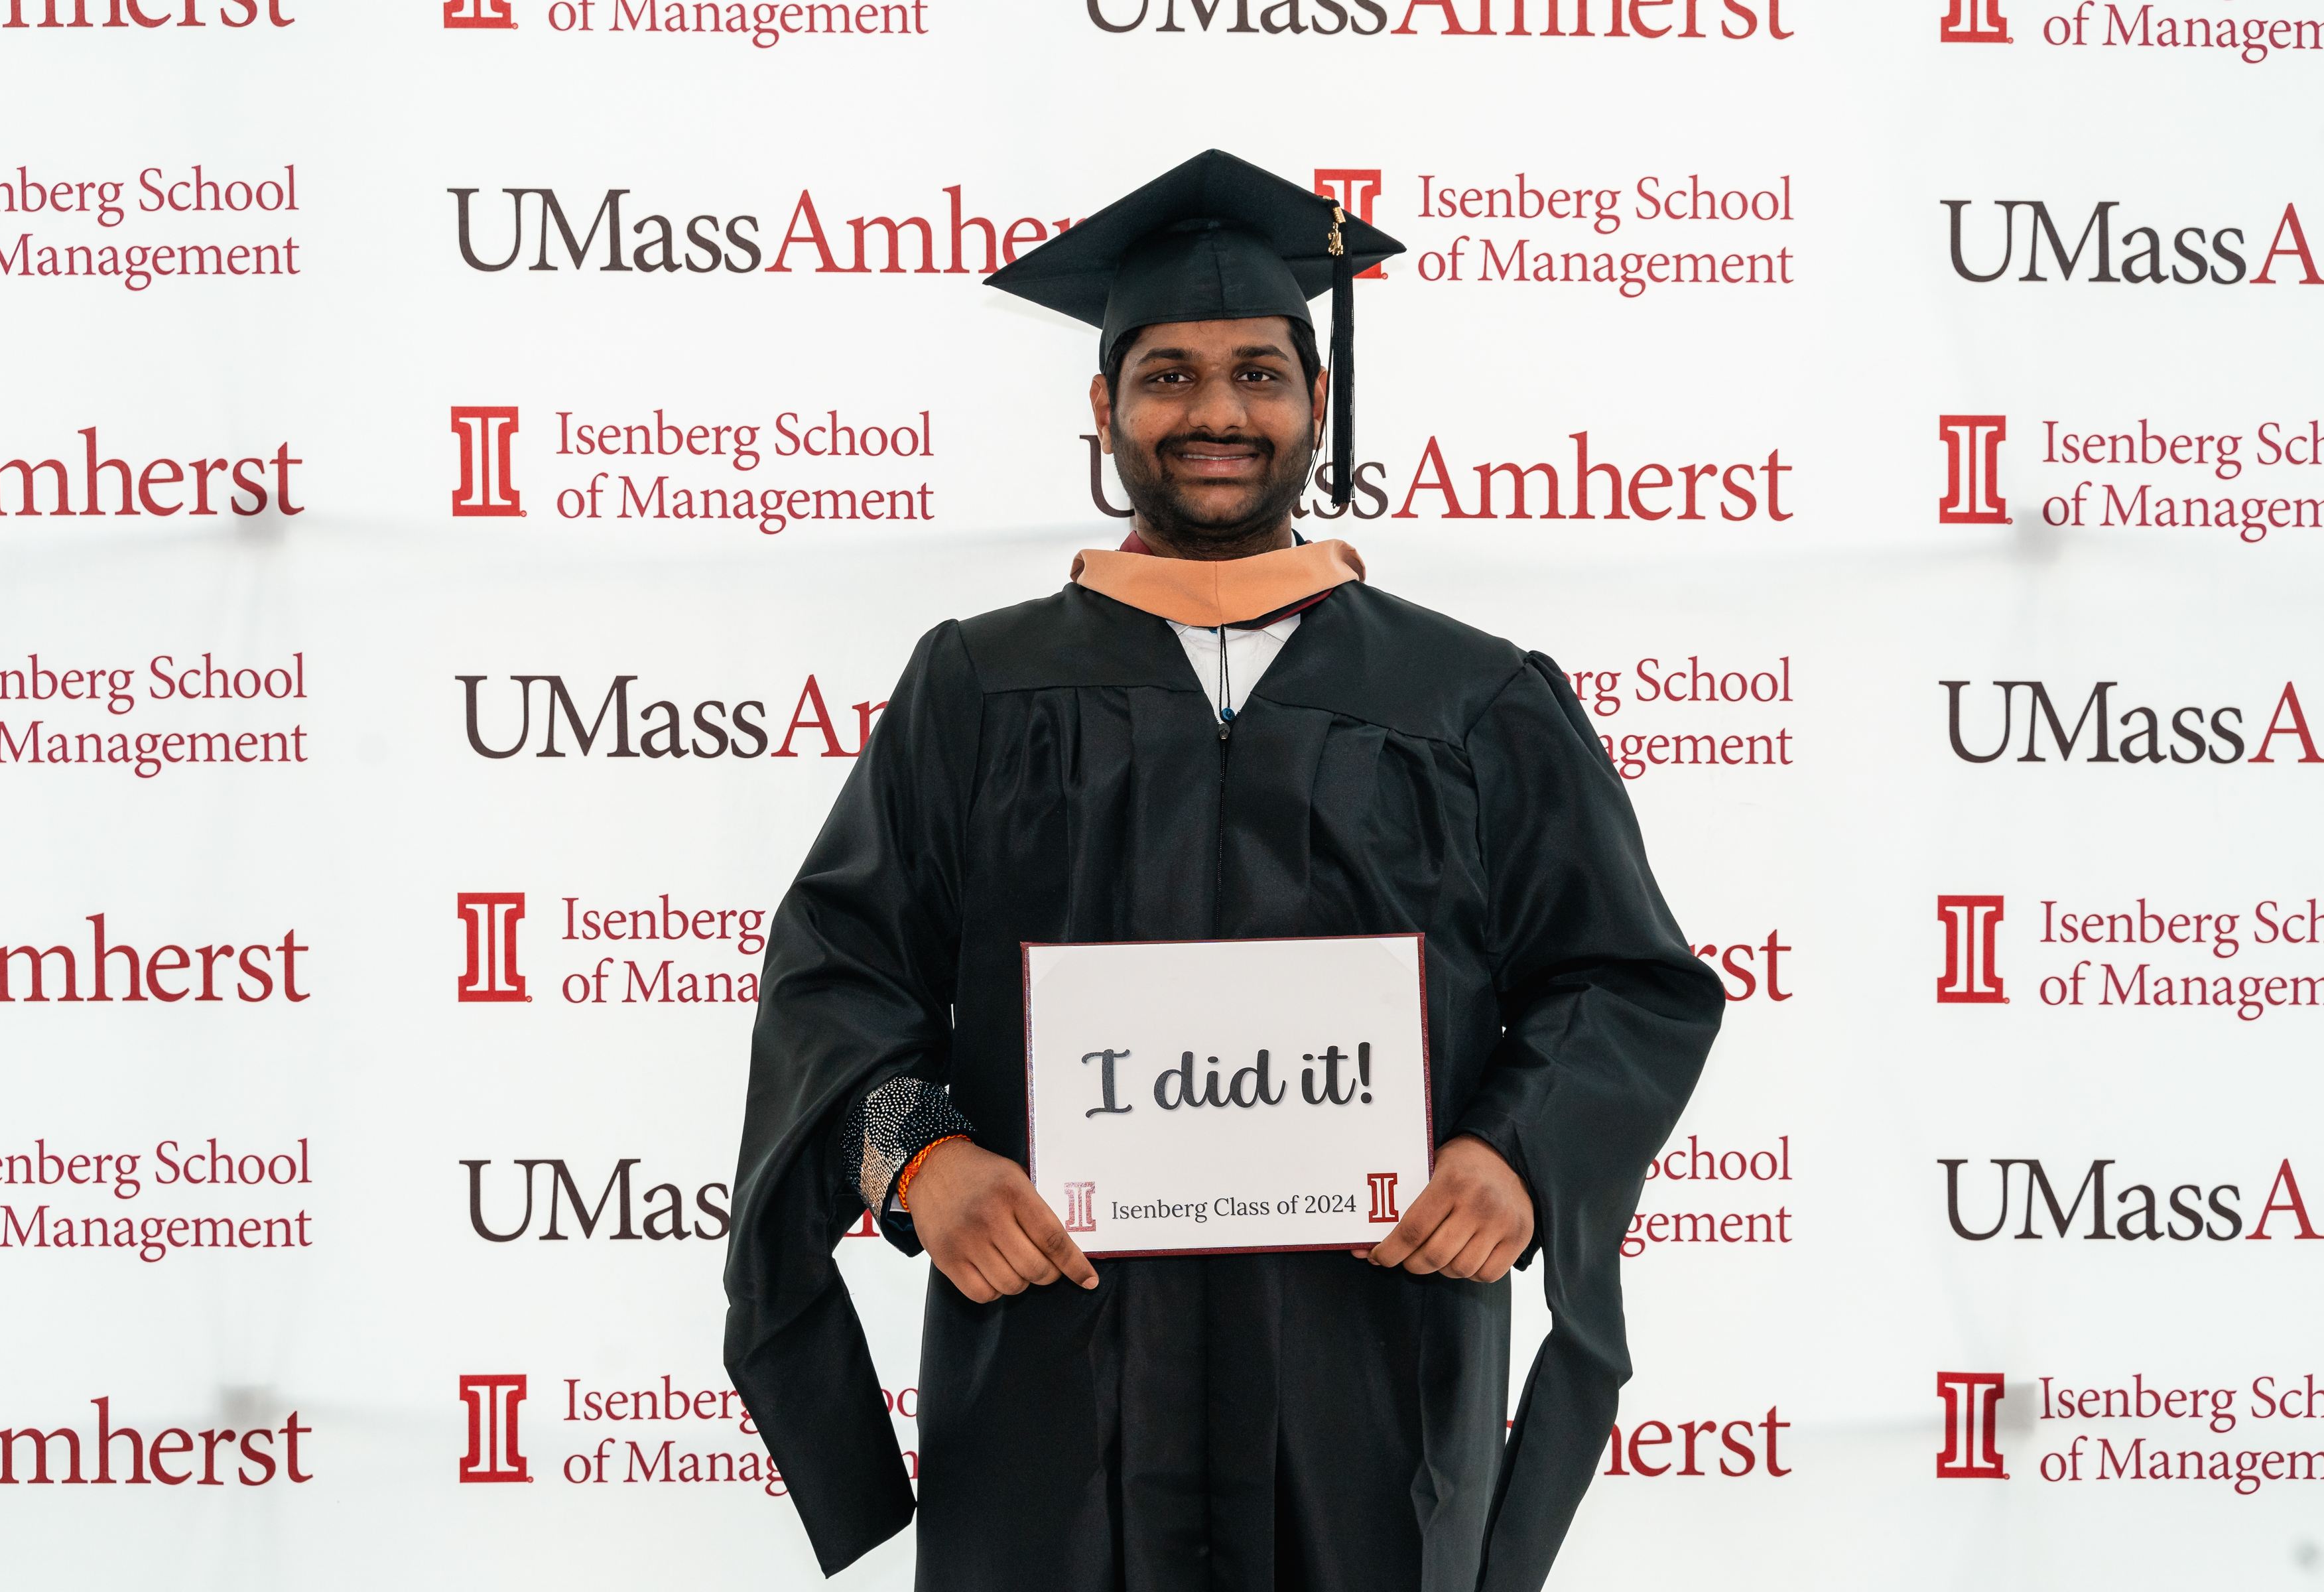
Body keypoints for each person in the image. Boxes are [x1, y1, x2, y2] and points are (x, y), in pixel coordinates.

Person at [723, 149, 1722, 1592]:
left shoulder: (1470, 696)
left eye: (1259, 374)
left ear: (1318, 397)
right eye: (1170, 377)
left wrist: (1516, 1151)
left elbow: (1619, 978)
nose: (1217, 413)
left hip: (1370, 1364)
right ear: (1105, 407)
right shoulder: (980, 687)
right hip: (1055, 1361)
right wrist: (922, 1159)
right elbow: (840, 970)